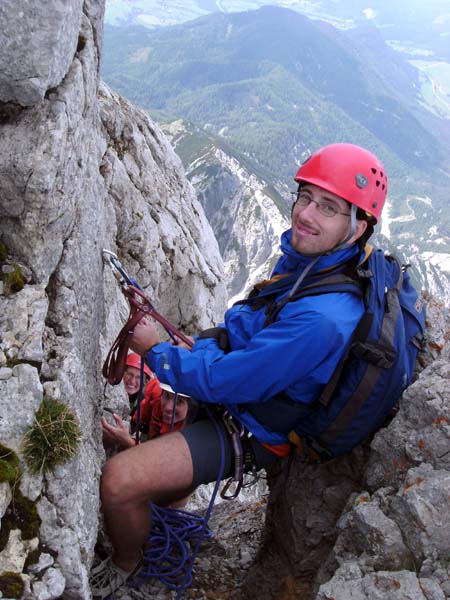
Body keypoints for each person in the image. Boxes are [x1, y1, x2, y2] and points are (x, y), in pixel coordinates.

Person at [90, 143, 389, 598]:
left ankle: (128, 565)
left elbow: (231, 380)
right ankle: (164, 501)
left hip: (249, 428)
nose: (306, 214)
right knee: (159, 469)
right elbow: (252, 335)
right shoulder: (314, 262)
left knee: (119, 482)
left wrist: (158, 353)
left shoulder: (324, 318)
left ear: (359, 226)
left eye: (328, 208)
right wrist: (202, 347)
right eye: (306, 197)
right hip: (240, 394)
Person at [101, 352, 162, 449]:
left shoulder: (145, 403)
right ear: (121, 373)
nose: (132, 381)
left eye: (139, 377)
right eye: (129, 374)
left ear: (145, 381)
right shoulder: (108, 392)